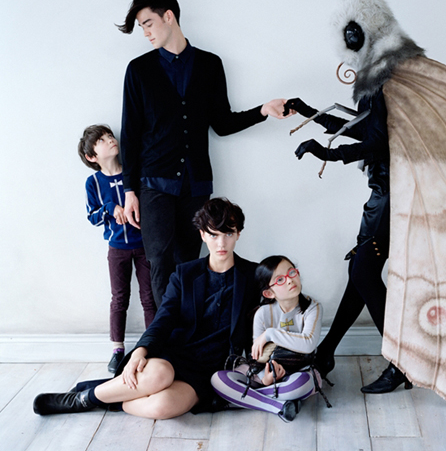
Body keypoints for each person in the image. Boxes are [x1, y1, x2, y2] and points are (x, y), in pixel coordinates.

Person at [117, 0, 291, 307]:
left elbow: (222, 124)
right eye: (142, 27)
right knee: (160, 263)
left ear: (169, 16)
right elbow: (130, 135)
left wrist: (263, 111)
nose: (146, 33)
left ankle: (188, 331)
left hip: (195, 184)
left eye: (148, 23)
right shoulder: (139, 70)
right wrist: (129, 191)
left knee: (190, 264)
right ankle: (163, 336)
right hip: (153, 184)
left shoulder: (210, 65)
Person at [33, 198, 261, 418]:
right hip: (176, 356)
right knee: (159, 375)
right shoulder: (185, 274)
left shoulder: (253, 275)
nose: (221, 244)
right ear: (202, 234)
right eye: (213, 235)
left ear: (238, 234)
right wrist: (140, 351)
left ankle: (112, 396)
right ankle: (83, 400)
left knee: (162, 407)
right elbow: (164, 318)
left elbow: (266, 318)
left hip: (210, 370)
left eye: (228, 234)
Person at [288, 93, 412, 394]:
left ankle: (401, 363)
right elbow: (362, 130)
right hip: (382, 194)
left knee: (363, 273)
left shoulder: (380, 85)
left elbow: (377, 142)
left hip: (390, 195)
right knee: (359, 272)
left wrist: (328, 154)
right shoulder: (374, 85)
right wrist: (308, 112)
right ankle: (326, 352)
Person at [78, 124, 156, 373]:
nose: (110, 140)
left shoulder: (133, 173)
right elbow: (92, 217)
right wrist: (110, 208)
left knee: (150, 297)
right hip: (117, 249)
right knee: (119, 299)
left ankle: (152, 347)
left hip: (144, 246)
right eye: (101, 140)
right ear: (91, 156)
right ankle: (117, 349)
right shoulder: (93, 182)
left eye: (110, 135)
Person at [211, 255, 323, 422]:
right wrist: (265, 379)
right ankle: (279, 405)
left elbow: (308, 344)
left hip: (298, 371)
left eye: (291, 272)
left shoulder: (312, 308)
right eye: (280, 280)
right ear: (269, 293)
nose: (289, 280)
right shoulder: (263, 313)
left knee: (303, 383)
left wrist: (270, 334)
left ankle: (240, 399)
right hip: (264, 372)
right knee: (218, 379)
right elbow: (257, 356)